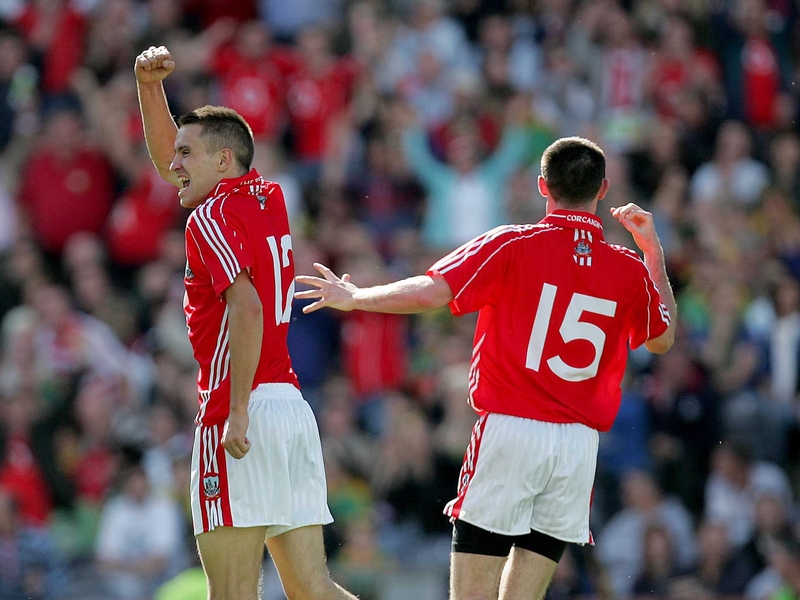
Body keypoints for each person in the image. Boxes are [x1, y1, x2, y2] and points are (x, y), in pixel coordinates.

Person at [296, 136, 677, 600]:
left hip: (512, 430)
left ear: (543, 186)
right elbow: (662, 338)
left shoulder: (512, 243)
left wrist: (356, 297)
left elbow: (430, 292)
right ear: (603, 189)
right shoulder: (629, 266)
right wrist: (653, 252)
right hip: (578, 447)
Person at [134, 46, 357, 600]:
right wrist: (150, 90)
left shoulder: (208, 219)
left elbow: (247, 306)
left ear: (223, 162)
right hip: (290, 409)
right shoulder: (268, 195)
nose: (174, 164)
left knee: (232, 593)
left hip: (240, 410)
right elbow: (176, 165)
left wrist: (235, 412)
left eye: (187, 154)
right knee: (313, 589)